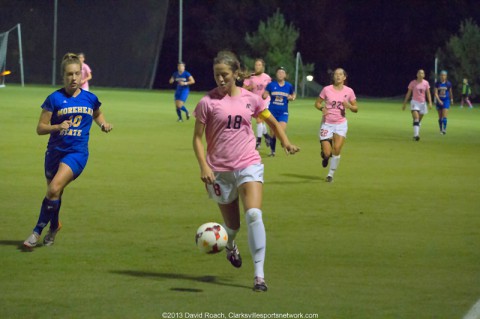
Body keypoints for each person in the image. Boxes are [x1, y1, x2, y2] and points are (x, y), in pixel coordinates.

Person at [193, 51, 299, 292]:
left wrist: (285, 141)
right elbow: (197, 140)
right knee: (232, 227)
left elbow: (271, 120)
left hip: (248, 163)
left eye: (225, 75)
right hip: (219, 171)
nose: (220, 80)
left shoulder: (251, 99)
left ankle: (259, 276)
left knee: (254, 215)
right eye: (216, 75)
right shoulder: (206, 103)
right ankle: (230, 245)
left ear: (235, 74)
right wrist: (203, 165)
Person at [23, 53, 113, 248]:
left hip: (77, 153)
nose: (73, 78)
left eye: (77, 74)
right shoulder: (54, 99)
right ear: (63, 77)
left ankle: (37, 231)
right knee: (55, 194)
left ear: (82, 75)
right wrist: (57, 127)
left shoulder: (90, 98)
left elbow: (97, 113)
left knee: (54, 188)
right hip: (54, 152)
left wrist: (103, 124)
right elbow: (40, 128)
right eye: (69, 74)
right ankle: (54, 226)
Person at [314, 68, 358, 183]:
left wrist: (349, 105)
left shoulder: (349, 91)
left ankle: (330, 174)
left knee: (337, 149)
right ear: (333, 77)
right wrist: (322, 108)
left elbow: (356, 108)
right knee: (328, 153)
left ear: (344, 77)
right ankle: (325, 155)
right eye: (336, 74)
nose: (338, 76)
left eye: (340, 74)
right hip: (327, 124)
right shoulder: (326, 89)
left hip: (340, 124)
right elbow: (317, 103)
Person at [262, 67, 296, 157]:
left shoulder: (289, 86)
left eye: (282, 72)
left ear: (285, 75)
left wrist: (292, 97)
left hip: (283, 112)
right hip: (272, 112)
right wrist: (264, 95)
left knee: (281, 129)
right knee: (273, 132)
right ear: (276, 74)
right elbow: (264, 94)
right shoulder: (271, 85)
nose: (280, 74)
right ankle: (273, 151)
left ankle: (283, 142)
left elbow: (293, 94)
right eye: (279, 72)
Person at [243, 59, 272, 149]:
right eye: (256, 65)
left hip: (265, 101)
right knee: (260, 122)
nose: (257, 66)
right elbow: (243, 89)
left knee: (259, 120)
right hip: (254, 102)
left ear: (263, 67)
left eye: (259, 65)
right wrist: (249, 87)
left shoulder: (267, 77)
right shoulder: (250, 77)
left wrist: (267, 93)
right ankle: (267, 136)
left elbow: (271, 88)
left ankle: (258, 141)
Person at [402, 69, 433, 141]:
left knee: (418, 121)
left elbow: (428, 93)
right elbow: (409, 93)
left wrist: (430, 102)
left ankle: (416, 130)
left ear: (424, 75)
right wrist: (405, 103)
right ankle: (416, 135)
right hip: (414, 102)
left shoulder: (426, 83)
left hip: (422, 103)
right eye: (419, 73)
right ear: (417, 74)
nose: (420, 74)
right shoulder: (413, 83)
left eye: (422, 73)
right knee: (416, 118)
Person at [434, 70, 453, 135]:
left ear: (446, 76)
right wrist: (439, 100)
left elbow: (450, 92)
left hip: (446, 101)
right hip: (439, 101)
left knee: (444, 116)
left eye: (444, 75)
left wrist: (451, 99)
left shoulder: (448, 83)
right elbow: (436, 93)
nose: (443, 76)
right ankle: (440, 129)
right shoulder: (437, 83)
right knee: (440, 117)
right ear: (440, 76)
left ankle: (444, 129)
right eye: (441, 75)